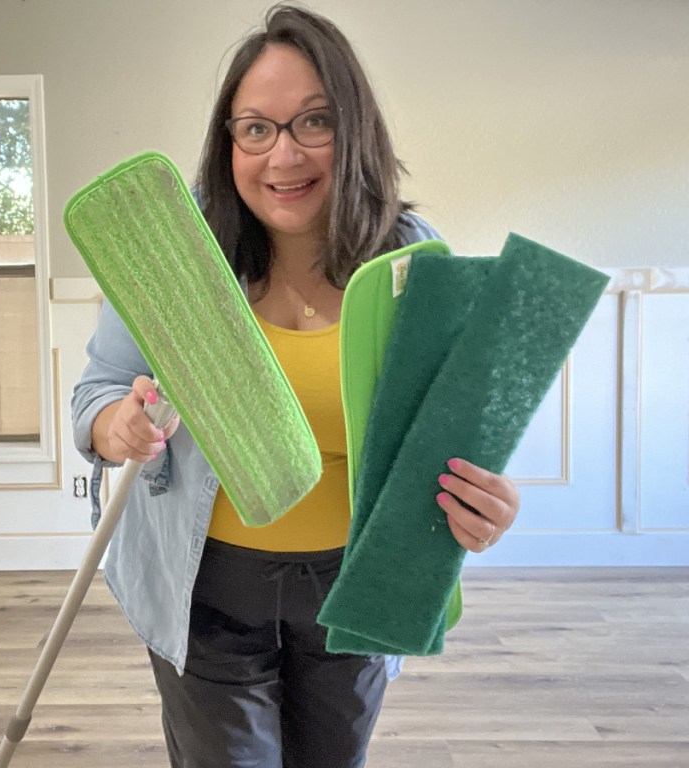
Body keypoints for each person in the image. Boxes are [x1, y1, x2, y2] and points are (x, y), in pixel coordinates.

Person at [72, 4, 520, 766]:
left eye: (314, 122)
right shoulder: (180, 252)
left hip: (356, 588)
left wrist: (483, 502)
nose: (283, 156)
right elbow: (97, 394)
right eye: (256, 128)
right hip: (203, 587)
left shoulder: (413, 260)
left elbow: (445, 431)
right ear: (229, 141)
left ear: (355, 129)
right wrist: (118, 426)